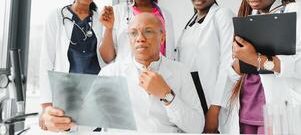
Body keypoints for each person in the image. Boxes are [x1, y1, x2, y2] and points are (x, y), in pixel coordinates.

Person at [42, 13, 204, 133]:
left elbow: (196, 127)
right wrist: (62, 122)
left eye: (148, 31)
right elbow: (85, 124)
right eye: (134, 33)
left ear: (162, 37)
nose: (140, 38)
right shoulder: (111, 73)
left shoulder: (180, 71)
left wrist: (167, 96)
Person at [230, 0, 301, 134]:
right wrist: (238, 62)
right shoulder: (246, 18)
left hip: (277, 108)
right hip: (246, 107)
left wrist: (256, 59)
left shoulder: (294, 12)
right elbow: (232, 72)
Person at [39, 0, 106, 131]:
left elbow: (107, 58)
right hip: (67, 96)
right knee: (68, 129)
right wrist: (46, 106)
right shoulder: (56, 16)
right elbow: (46, 60)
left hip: (95, 96)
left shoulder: (101, 20)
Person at [174, 0, 235, 133]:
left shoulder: (222, 15)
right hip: (190, 94)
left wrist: (215, 109)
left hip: (212, 96)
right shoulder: (189, 23)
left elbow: (228, 63)